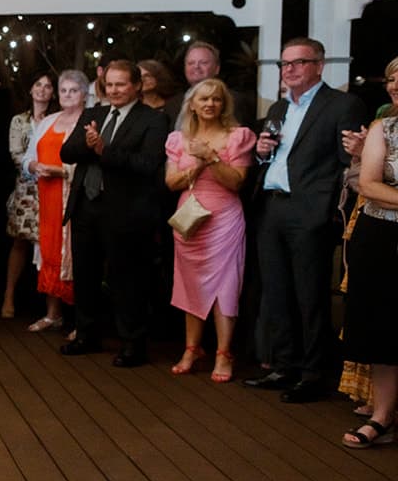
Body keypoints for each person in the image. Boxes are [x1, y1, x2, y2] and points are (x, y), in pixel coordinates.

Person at [243, 38, 367, 402]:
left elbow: (350, 165)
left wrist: (325, 210)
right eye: (284, 64)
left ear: (319, 65)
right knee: (277, 292)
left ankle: (313, 373)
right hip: (272, 207)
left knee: (309, 295)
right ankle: (285, 366)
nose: (289, 70)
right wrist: (261, 153)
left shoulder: (343, 105)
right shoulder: (279, 107)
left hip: (310, 212)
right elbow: (276, 155)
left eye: (298, 63)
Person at [59, 60, 170, 367]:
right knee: (85, 276)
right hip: (86, 207)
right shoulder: (94, 113)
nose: (115, 90)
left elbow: (147, 165)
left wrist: (103, 151)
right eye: (110, 84)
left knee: (127, 280)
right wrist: (88, 144)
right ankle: (86, 335)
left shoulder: (153, 119)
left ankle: (133, 343)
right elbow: (67, 153)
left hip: (126, 211)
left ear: (137, 85)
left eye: (121, 84)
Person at [165, 80, 256, 382]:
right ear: (192, 103)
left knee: (226, 287)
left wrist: (212, 157)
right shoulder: (178, 139)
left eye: (217, 99)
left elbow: (236, 182)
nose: (210, 104)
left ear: (223, 105)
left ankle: (224, 353)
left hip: (224, 219)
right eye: (204, 99)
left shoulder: (237, 136)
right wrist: (199, 164)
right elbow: (171, 182)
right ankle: (192, 349)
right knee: (190, 284)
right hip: (190, 220)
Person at [340, 104, 398, 448]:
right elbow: (369, 185)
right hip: (381, 240)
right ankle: (383, 416)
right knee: (384, 328)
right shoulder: (385, 128)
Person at [24, 69, 87, 333]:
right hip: (47, 199)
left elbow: (92, 165)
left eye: (73, 90)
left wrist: (63, 172)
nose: (68, 95)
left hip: (75, 199)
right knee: (48, 252)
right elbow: (27, 158)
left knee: (75, 255)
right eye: (63, 90)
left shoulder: (89, 122)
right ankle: (53, 314)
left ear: (84, 94)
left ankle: (80, 321)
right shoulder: (48, 121)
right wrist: (35, 165)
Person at [1, 73, 53, 319]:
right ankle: (9, 296)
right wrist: (32, 166)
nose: (42, 90)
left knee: (50, 245)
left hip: (52, 185)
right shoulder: (19, 121)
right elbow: (15, 153)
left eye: (48, 86)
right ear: (31, 90)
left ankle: (49, 305)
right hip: (27, 188)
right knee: (20, 242)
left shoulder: (57, 120)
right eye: (38, 85)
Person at [139, 58, 182, 126]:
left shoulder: (175, 105)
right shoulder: (134, 107)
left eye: (147, 76)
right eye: (139, 76)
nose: (143, 80)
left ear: (158, 76)